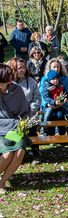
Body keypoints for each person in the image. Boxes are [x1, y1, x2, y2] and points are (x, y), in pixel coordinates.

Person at [0, 64, 31, 194]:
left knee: (19, 151)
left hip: (15, 128)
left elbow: (26, 111)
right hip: (0, 130)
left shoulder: (17, 90)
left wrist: (21, 125)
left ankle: (2, 182)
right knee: (7, 154)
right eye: (8, 74)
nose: (11, 76)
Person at [9, 58, 42, 166]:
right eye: (20, 68)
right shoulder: (8, 83)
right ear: (13, 69)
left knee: (32, 131)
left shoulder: (31, 81)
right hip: (14, 116)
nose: (23, 70)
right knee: (13, 131)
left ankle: (36, 154)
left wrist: (27, 112)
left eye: (24, 67)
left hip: (30, 115)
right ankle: (14, 153)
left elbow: (37, 99)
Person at [39, 58, 68, 136]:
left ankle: (63, 134)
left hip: (61, 105)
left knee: (60, 115)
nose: (56, 69)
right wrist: (48, 104)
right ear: (49, 68)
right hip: (49, 104)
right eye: (54, 67)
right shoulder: (45, 80)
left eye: (58, 67)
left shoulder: (64, 79)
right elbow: (42, 95)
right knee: (51, 115)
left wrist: (63, 102)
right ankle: (48, 133)